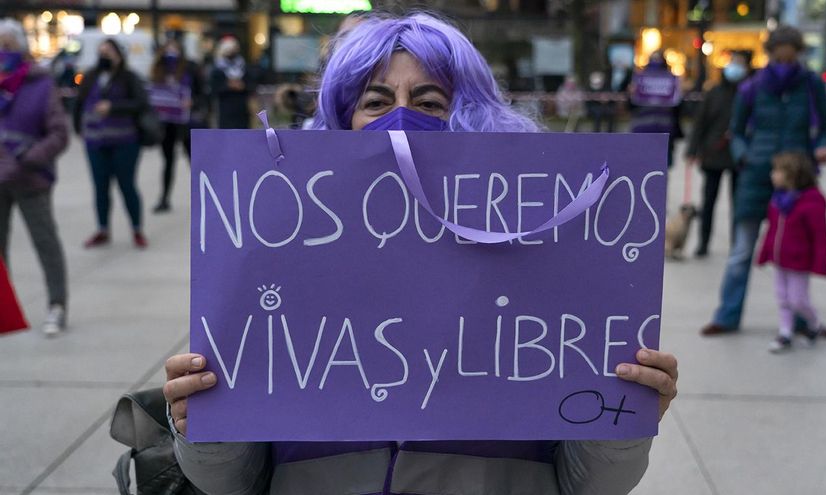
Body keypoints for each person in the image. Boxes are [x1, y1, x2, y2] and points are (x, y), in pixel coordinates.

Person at [163, 13, 679, 495]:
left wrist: (622, 421)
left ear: (472, 121)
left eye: (430, 103)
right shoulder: (274, 253)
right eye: (376, 102)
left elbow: (592, 484)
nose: (402, 120)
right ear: (341, 122)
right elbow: (233, 483)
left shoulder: (540, 256)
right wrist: (206, 427)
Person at [700, 25, 826, 336]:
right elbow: (737, 130)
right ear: (770, 53)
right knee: (742, 249)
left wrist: (821, 147)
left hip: (798, 180)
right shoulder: (753, 86)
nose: (785, 62)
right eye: (779, 56)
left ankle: (800, 317)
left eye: (790, 56)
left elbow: (824, 127)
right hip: (758, 175)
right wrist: (745, 157)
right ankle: (727, 315)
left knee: (796, 250)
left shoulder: (811, 84)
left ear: (798, 53)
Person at [0, 19, 69, 336]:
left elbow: (59, 133)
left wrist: (30, 157)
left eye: (8, 44)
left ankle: (57, 306)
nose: (3, 50)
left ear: (21, 46)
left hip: (31, 179)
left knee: (46, 244)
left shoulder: (41, 84)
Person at [74, 38, 149, 249]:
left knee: (127, 186)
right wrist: (79, 129)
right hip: (95, 143)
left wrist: (113, 107)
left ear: (119, 54)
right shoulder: (90, 76)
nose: (105, 56)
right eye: (101, 52)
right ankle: (103, 229)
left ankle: (136, 229)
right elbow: (79, 104)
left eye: (109, 52)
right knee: (100, 187)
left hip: (125, 141)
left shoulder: (129, 77)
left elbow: (141, 103)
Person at [756, 152, 826, 353]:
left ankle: (814, 324)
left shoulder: (812, 201)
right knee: (782, 298)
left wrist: (821, 263)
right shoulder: (778, 200)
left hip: (799, 262)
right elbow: (771, 229)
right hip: (780, 260)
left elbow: (820, 235)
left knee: (798, 300)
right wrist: (764, 253)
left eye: (777, 171)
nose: (772, 175)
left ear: (792, 174)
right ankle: (785, 333)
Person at [685, 52, 750, 257]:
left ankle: (736, 243)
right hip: (713, 154)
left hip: (740, 156)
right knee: (708, 201)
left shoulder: (749, 93)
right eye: (733, 62)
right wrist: (692, 150)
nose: (734, 67)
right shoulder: (714, 92)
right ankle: (703, 243)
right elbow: (700, 123)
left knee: (739, 203)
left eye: (739, 63)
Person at [148, 38, 206, 213]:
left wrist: (193, 102)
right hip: (167, 124)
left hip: (187, 123)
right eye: (168, 47)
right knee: (168, 161)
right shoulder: (159, 69)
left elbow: (203, 92)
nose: (171, 51)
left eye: (174, 47)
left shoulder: (190, 68)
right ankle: (164, 199)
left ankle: (204, 197)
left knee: (194, 161)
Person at [629, 51, 683, 168]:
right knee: (661, 169)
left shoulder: (641, 78)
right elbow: (678, 108)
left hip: (644, 129)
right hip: (663, 130)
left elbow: (630, 106)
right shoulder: (641, 78)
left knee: (642, 166)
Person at [210, 36, 251, 129]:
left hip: (241, 109)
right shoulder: (217, 69)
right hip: (225, 108)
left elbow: (250, 85)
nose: (231, 51)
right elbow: (214, 89)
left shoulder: (243, 66)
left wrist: (242, 86)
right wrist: (228, 86)